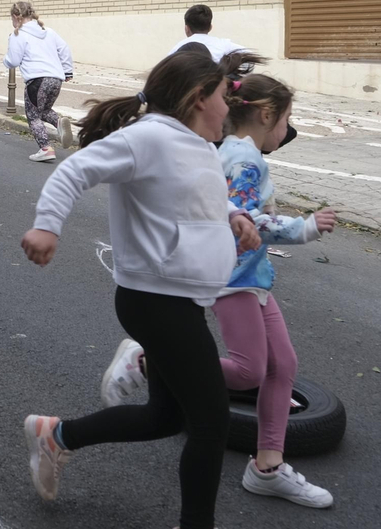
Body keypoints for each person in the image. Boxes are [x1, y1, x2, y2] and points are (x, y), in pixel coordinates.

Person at [19, 47, 264, 529]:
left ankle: (56, 436)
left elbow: (195, 201)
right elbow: (74, 170)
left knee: (166, 419)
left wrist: (234, 215)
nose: (227, 109)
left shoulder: (200, 147)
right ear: (198, 98)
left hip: (179, 301)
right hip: (156, 301)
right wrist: (47, 226)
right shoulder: (148, 138)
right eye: (222, 97)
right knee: (212, 423)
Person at [101, 73, 337, 508]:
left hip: (254, 277)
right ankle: (148, 360)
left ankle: (267, 466)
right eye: (288, 119)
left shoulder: (231, 151)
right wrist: (302, 227)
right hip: (235, 279)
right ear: (267, 115)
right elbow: (245, 219)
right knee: (250, 370)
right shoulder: (246, 160)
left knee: (282, 365)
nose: (288, 130)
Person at [3, 0, 74, 161]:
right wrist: (67, 70)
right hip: (56, 79)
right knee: (44, 110)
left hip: (37, 80)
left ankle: (45, 148)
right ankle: (59, 123)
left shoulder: (18, 34)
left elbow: (13, 61)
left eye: (12, 19)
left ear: (16, 16)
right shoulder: (48, 31)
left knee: (33, 115)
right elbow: (64, 49)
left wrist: (5, 60)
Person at [168, 3, 249, 60]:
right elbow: (248, 55)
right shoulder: (223, 44)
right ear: (210, 27)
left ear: (186, 28)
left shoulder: (177, 48)